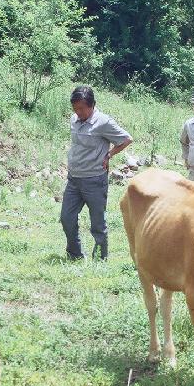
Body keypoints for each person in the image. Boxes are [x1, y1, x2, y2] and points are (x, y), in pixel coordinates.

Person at [61, 86, 133, 260]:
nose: (78, 112)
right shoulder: (74, 119)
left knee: (97, 224)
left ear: (92, 105)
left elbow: (126, 139)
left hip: (94, 180)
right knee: (66, 218)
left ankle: (100, 258)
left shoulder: (103, 122)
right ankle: (75, 254)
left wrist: (109, 154)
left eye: (81, 108)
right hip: (74, 179)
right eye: (75, 108)